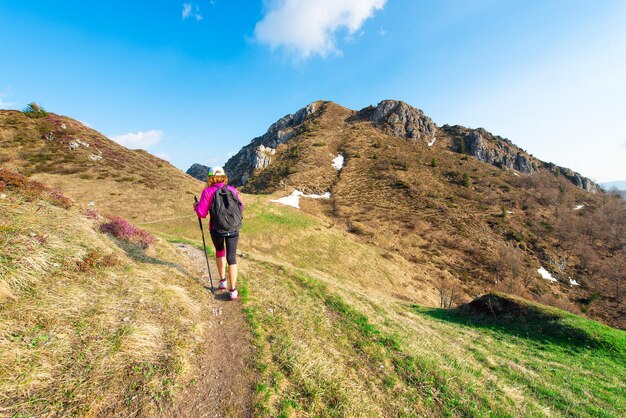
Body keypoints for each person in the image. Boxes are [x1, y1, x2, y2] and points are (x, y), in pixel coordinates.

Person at [194, 166, 244, 300]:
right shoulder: (232, 190)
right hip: (233, 229)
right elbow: (241, 208)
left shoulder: (207, 192)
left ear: (210, 177)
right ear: (223, 176)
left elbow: (202, 213)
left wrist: (196, 206)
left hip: (217, 230)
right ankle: (233, 291)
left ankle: (222, 281)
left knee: (220, 252)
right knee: (232, 258)